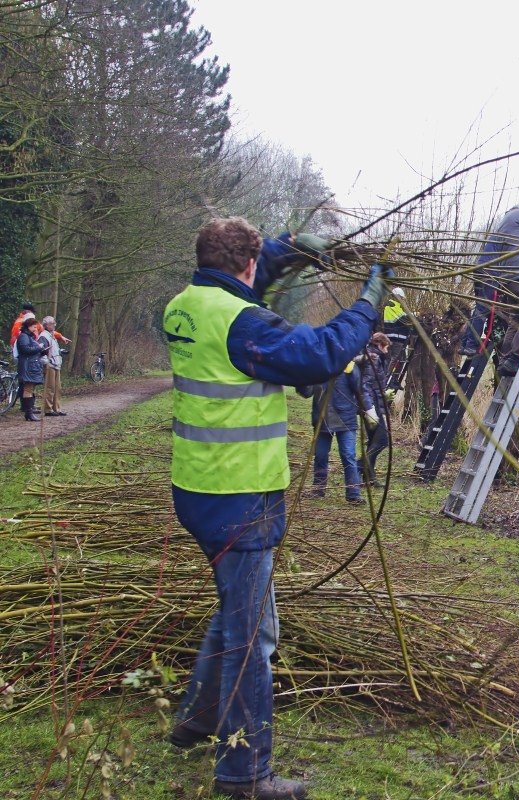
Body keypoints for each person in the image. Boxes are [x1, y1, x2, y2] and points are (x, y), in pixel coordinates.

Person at [164, 217, 388, 800]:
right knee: (253, 637)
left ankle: (199, 715)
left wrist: (286, 251)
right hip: (240, 497)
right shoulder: (244, 326)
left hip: (197, 488)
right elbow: (321, 353)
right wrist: (369, 300)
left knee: (241, 610)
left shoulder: (187, 305)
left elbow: (242, 280)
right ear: (244, 264)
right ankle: (243, 775)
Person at [460, 204, 519, 376]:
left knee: (515, 318)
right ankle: (515, 356)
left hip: (509, 278)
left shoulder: (507, 228)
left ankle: (504, 360)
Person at [300, 360, 373, 504]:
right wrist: (299, 376)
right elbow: (306, 392)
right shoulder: (317, 366)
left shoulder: (349, 366)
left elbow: (361, 390)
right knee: (320, 456)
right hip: (322, 420)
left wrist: (370, 410)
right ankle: (318, 489)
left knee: (348, 456)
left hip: (346, 420)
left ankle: (353, 494)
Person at [358, 332, 391, 487]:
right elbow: (366, 384)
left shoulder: (374, 356)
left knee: (373, 441)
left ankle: (369, 478)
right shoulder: (374, 358)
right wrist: (370, 408)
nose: (387, 350)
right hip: (371, 405)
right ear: (380, 344)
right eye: (386, 347)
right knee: (382, 440)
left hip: (373, 403)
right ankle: (358, 466)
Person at [15, 316, 48, 422]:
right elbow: (25, 350)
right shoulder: (24, 336)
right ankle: (28, 412)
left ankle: (29, 412)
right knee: (28, 389)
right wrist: (39, 347)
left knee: (30, 388)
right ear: (29, 326)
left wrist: (42, 350)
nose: (35, 329)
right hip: (27, 366)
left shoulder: (29, 337)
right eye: (34, 327)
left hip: (32, 365)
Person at [38, 317, 70, 416]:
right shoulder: (44, 336)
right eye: (52, 323)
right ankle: (48, 409)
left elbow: (54, 349)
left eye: (54, 323)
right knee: (50, 387)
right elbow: (42, 349)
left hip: (56, 363)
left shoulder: (52, 335)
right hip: (50, 364)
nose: (54, 325)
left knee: (57, 387)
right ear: (46, 325)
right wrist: (46, 361)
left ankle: (57, 407)